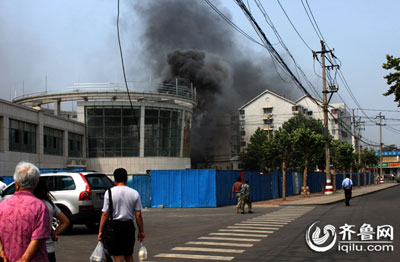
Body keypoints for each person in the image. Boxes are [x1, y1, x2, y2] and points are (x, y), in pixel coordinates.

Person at [0, 161, 50, 262]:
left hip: (8, 258)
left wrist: (1, 252)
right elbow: (38, 239)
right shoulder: (40, 207)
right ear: (35, 184)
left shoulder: (3, 205)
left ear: (16, 183)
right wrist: (23, 259)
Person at [98, 168, 145, 262]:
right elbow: (138, 215)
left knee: (118, 255)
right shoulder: (134, 193)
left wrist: (100, 230)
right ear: (126, 178)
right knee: (128, 254)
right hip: (129, 226)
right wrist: (141, 231)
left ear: (115, 179)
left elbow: (105, 213)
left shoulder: (109, 192)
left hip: (114, 227)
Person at [33, 177, 70, 262]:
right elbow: (65, 221)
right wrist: (53, 233)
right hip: (49, 250)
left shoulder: (31, 204)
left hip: (33, 251)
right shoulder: (49, 204)